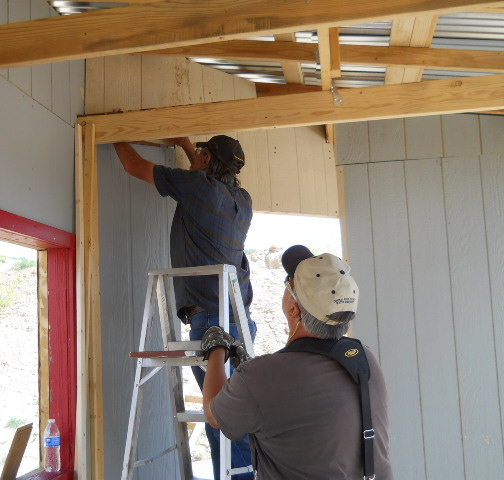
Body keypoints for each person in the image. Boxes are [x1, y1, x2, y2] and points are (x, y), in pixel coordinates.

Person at [114, 136, 257, 479]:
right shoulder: (242, 200)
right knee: (233, 413)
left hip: (211, 325)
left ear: (206, 162)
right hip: (240, 321)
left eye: (201, 155)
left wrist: (118, 132)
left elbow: (134, 166)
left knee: (222, 418)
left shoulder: (197, 188)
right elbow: (203, 177)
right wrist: (188, 147)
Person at [200, 245, 394, 480]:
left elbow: (213, 413)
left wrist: (217, 349)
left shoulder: (261, 376)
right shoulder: (364, 359)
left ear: (293, 308)